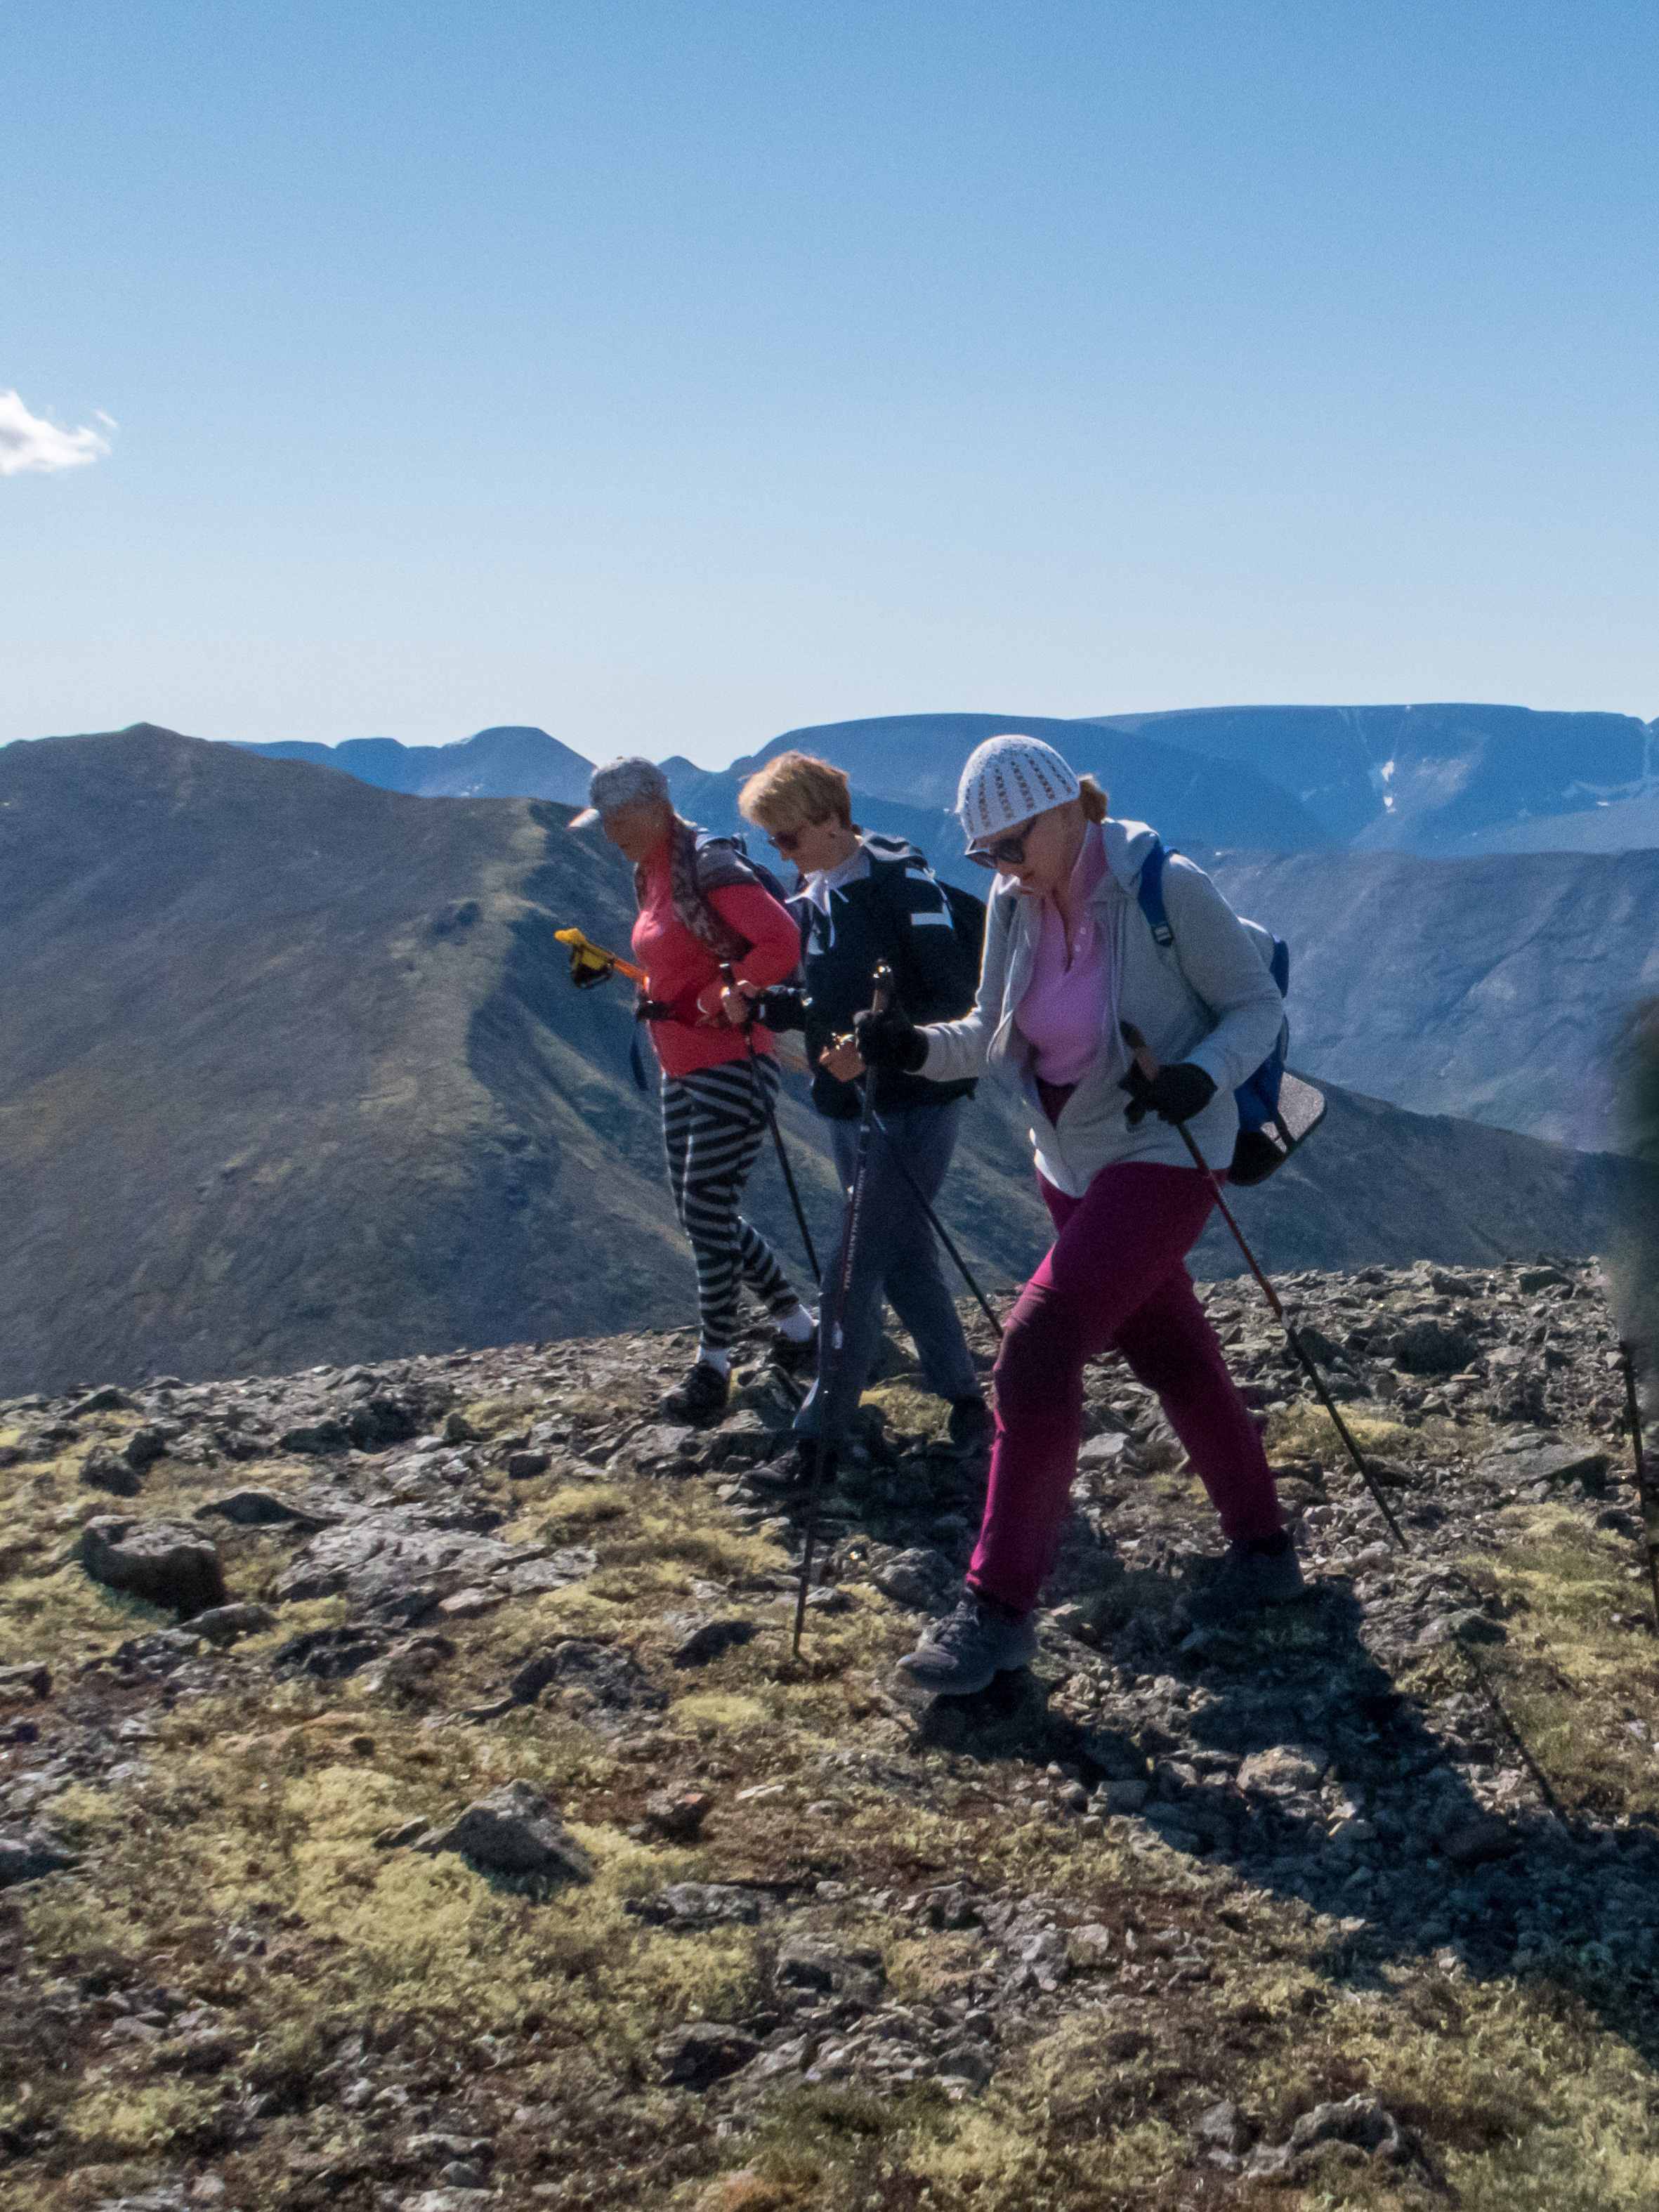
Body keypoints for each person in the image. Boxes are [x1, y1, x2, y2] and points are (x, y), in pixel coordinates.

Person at [852, 733, 1301, 1694]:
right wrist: (905, 1047)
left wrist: (1196, 1076)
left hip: (1165, 1150)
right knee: (1169, 1348)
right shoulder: (1014, 907)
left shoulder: (1162, 887)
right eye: (984, 855)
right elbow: (987, 1032)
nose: (1000, 868)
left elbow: (1254, 1009)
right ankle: (1263, 1549)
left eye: (1010, 844)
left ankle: (996, 1609)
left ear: (1065, 814)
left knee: (1038, 1347)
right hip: (1068, 1161)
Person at [730, 751, 992, 1465]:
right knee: (903, 1255)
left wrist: (871, 1047)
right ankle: (967, 1401)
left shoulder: (898, 881)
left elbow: (945, 996)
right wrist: (765, 1001)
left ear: (825, 819)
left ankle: (820, 1429)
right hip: (848, 1103)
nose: (778, 851)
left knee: (854, 1260)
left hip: (911, 1100)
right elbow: (825, 999)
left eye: (784, 836)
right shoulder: (816, 890)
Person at [575, 757, 815, 1422]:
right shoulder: (649, 869)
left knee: (705, 1208)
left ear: (657, 804)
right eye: (605, 820)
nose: (611, 831)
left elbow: (781, 939)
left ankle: (715, 1362)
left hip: (734, 1063)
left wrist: (726, 993)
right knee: (699, 1210)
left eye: (622, 817)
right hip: (679, 1067)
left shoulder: (707, 864)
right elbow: (676, 957)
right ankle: (798, 1329)